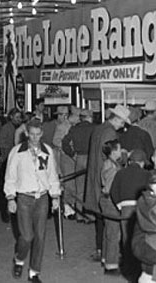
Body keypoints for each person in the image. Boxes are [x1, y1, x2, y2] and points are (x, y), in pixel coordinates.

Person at [4, 119, 61, 283]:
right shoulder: (17, 152)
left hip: (42, 198)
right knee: (27, 236)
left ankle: (34, 272)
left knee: (40, 236)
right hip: (24, 198)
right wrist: (10, 198)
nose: (35, 138)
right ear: (26, 134)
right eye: (32, 134)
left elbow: (52, 176)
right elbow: (10, 177)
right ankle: (19, 258)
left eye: (38, 134)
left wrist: (55, 196)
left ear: (42, 133)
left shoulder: (47, 150)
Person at [84, 104, 130, 263]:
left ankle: (100, 250)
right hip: (106, 178)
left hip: (95, 176)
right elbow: (111, 156)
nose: (122, 126)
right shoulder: (110, 132)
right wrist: (124, 155)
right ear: (116, 118)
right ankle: (108, 254)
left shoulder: (98, 128)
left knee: (100, 218)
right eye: (122, 122)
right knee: (110, 219)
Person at [61, 107, 95, 221]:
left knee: (79, 188)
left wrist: (72, 154)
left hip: (79, 158)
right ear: (89, 118)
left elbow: (64, 142)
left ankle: (79, 215)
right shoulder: (94, 128)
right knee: (90, 188)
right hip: (91, 158)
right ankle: (89, 216)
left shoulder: (74, 129)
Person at [100, 139, 124, 275]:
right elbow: (109, 187)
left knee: (108, 231)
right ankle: (111, 265)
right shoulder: (112, 168)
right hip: (110, 200)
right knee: (114, 233)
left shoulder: (110, 163)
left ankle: (105, 257)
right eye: (119, 149)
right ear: (114, 151)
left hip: (106, 200)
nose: (121, 151)